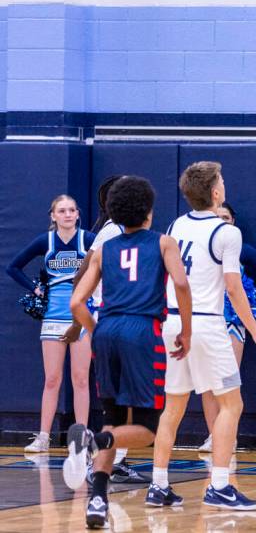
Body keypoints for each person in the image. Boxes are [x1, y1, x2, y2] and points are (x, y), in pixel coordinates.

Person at [61, 176, 193, 529]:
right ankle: (93, 441)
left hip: (106, 330)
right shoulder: (164, 243)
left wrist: (95, 329)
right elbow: (180, 283)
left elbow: (76, 302)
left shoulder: (105, 249)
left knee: (113, 418)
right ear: (149, 211)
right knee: (147, 429)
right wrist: (186, 331)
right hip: (142, 331)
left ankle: (97, 501)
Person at [147, 161, 256, 511]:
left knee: (173, 408)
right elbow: (234, 288)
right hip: (206, 324)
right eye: (222, 181)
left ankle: (158, 485)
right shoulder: (226, 232)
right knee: (232, 404)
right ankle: (219, 485)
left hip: (173, 323)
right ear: (215, 192)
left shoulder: (174, 225)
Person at [63, 175, 149, 484]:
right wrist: (79, 325)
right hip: (115, 321)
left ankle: (110, 461)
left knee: (123, 402)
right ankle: (99, 455)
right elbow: (82, 275)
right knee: (128, 405)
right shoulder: (114, 230)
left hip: (111, 322)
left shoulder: (119, 231)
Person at [6, 194, 95, 453]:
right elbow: (13, 267)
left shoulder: (87, 240)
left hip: (81, 318)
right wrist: (34, 288)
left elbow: (104, 268)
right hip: (53, 318)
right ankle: (44, 436)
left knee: (80, 379)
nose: (67, 214)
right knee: (52, 379)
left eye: (71, 210)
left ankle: (82, 438)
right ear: (53, 216)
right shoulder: (45, 241)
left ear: (78, 214)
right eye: (62, 211)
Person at [197, 201, 256, 453]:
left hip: (233, 320)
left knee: (227, 380)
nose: (222, 221)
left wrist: (252, 296)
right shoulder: (202, 248)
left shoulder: (242, 250)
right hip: (206, 317)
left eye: (226, 217)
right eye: (217, 217)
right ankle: (214, 436)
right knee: (207, 383)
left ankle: (228, 436)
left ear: (233, 222)